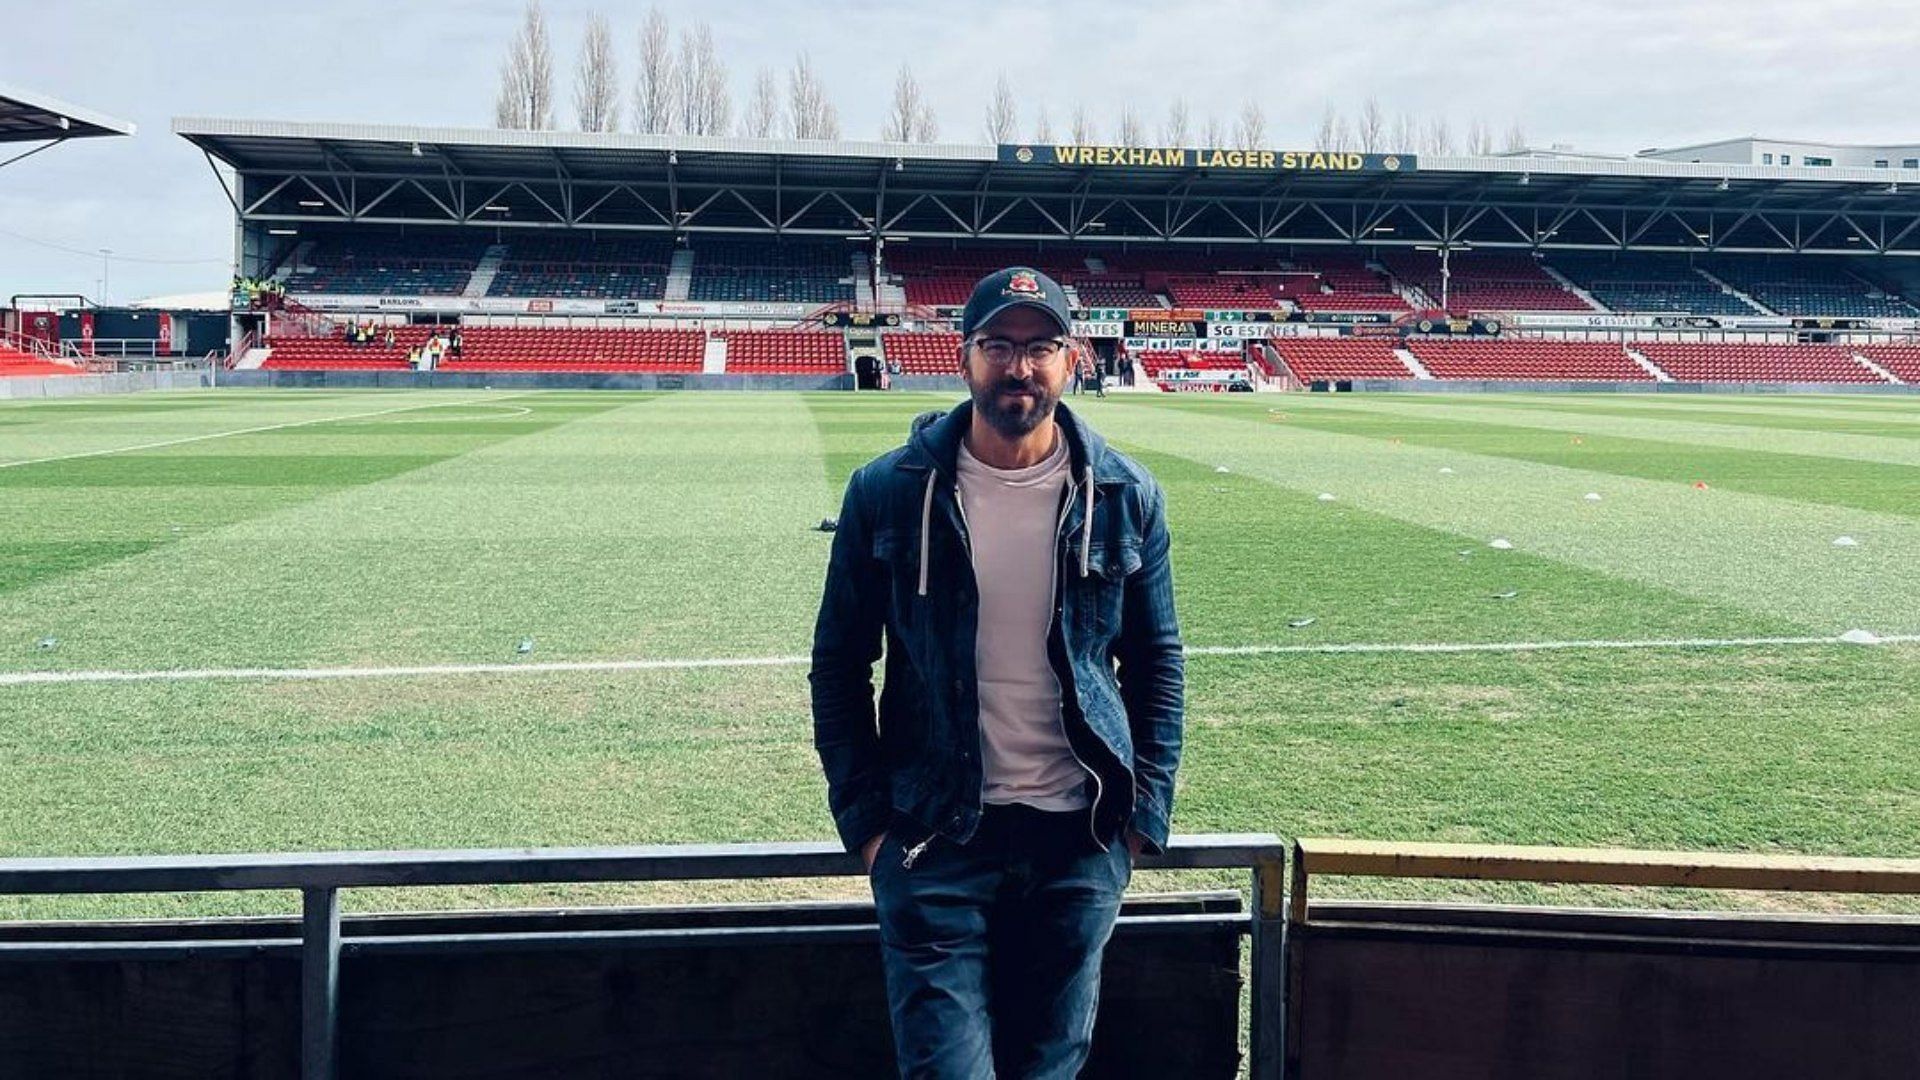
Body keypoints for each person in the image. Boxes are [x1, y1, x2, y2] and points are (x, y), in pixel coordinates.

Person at [811, 266, 1185, 1079]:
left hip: (1078, 843)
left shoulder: (1125, 496)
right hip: (935, 839)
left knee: (1048, 1070)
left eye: (1040, 346)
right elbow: (838, 665)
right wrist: (870, 828)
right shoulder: (886, 492)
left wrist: (1138, 821)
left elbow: (1157, 664)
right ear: (963, 356)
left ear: (1072, 359)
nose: (1020, 366)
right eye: (999, 346)